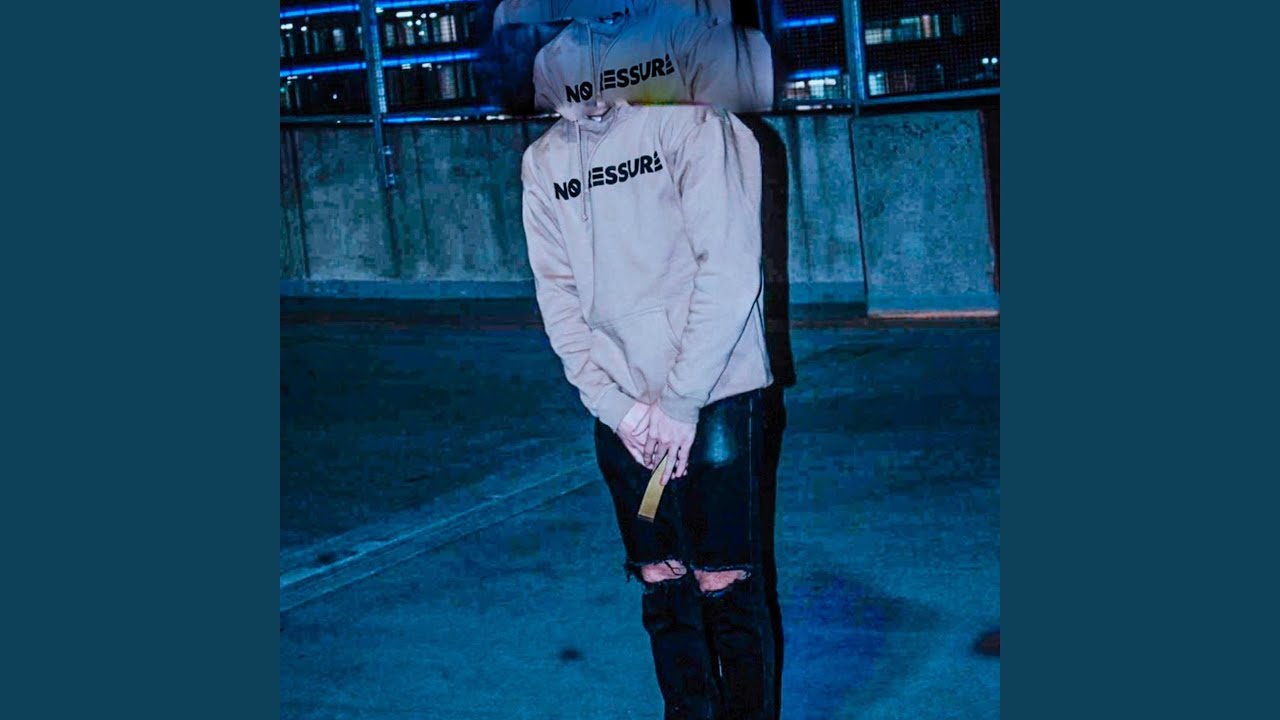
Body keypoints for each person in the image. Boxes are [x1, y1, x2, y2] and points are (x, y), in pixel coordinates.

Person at [520, 77, 777, 717]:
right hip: (623, 409)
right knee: (660, 575)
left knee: (723, 579)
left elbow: (730, 270)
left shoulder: (691, 120)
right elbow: (557, 297)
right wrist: (617, 408)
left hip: (716, 392)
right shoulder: (544, 161)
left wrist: (681, 403)